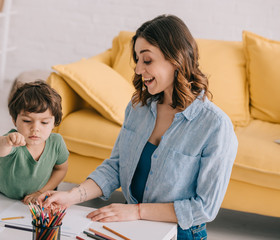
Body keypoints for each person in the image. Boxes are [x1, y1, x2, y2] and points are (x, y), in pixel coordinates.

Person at [38, 14, 238, 239]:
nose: (138, 70)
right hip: (130, 223)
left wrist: (137, 211)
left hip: (179, 233)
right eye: (137, 60)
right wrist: (72, 196)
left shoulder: (215, 126)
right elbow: (116, 165)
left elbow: (204, 207)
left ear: (175, 59)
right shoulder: (138, 107)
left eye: (147, 60)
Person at [0, 80, 69, 204]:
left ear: (54, 123)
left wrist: (41, 192)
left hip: (35, 201)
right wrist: (6, 141)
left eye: (44, 122)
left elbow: (61, 170)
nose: (35, 128)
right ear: (14, 120)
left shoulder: (56, 143)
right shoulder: (14, 139)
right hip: (1, 198)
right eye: (27, 121)